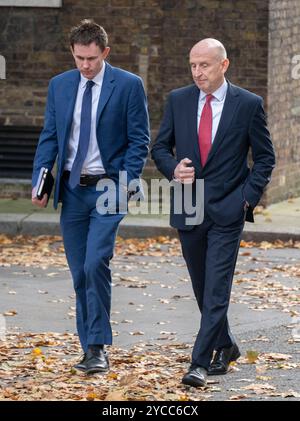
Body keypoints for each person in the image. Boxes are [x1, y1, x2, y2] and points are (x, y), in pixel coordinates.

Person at [151, 38, 275, 387]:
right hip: (188, 205)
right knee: (200, 287)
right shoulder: (179, 99)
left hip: (227, 209)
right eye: (193, 65)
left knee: (216, 289)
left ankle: (199, 363)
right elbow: (159, 147)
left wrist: (247, 198)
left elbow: (265, 157)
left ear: (224, 65)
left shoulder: (248, 104)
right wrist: (174, 168)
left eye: (204, 65)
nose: (197, 72)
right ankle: (227, 345)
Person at [32, 19, 150, 374]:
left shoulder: (128, 85)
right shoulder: (60, 86)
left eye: (92, 59)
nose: (85, 65)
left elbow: (139, 140)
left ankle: (98, 347)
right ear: (73, 52)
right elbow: (50, 136)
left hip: (108, 188)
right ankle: (89, 349)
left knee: (95, 262)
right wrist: (41, 180)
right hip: (71, 190)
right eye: (79, 58)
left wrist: (126, 185)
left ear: (105, 53)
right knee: (80, 272)